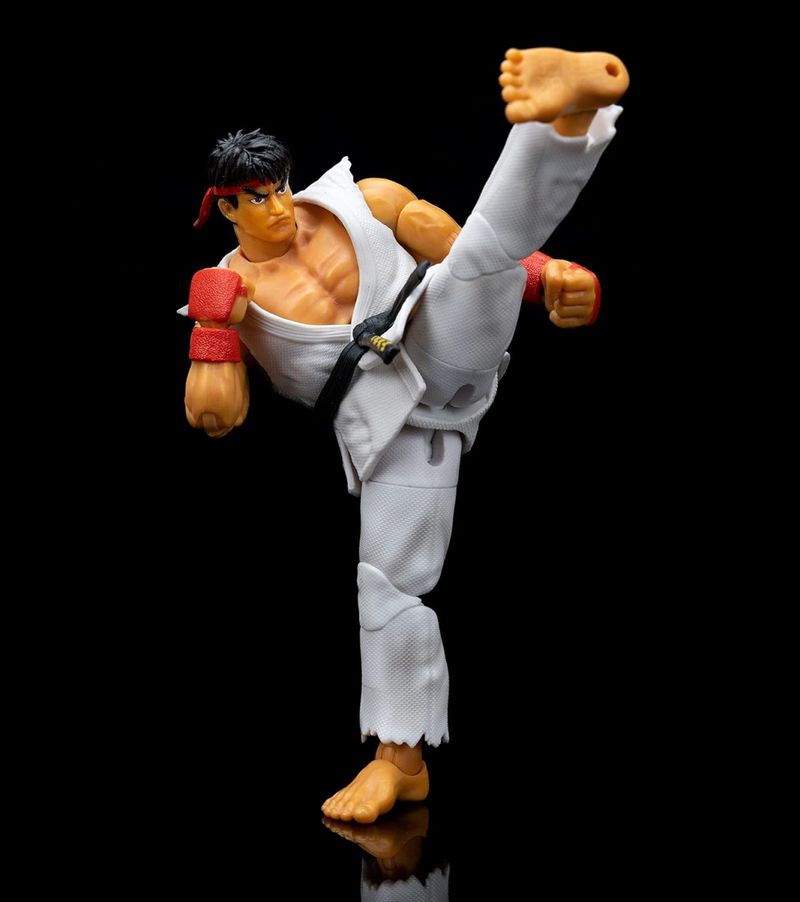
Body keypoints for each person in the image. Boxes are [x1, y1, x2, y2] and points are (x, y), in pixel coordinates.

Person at [182, 47, 629, 822]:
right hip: (387, 427)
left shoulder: (365, 200)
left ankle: (563, 120)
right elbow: (214, 416)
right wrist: (213, 330)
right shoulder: (234, 288)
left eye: (279, 186)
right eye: (255, 198)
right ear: (225, 209)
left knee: (483, 259)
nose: (278, 206)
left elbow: (462, 250)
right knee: (389, 589)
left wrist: (547, 277)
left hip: (439, 335)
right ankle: (402, 764)